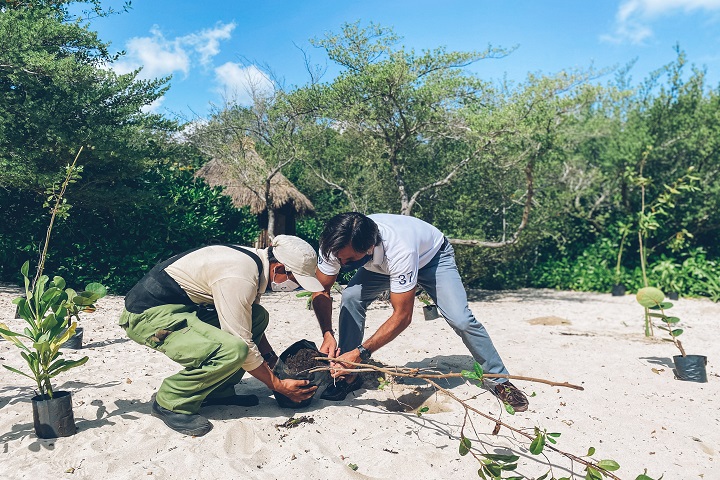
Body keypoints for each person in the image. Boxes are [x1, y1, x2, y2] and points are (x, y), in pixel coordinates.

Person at [311, 212, 529, 412]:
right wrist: (327, 333)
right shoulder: (335, 244)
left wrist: (362, 352)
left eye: (348, 261)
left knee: (461, 319)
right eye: (339, 259)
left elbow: (403, 316)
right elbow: (321, 290)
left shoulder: (400, 248)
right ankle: (350, 373)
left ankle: (499, 379)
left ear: (369, 248)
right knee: (350, 297)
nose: (341, 264)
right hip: (379, 265)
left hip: (432, 259)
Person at [118, 235, 324, 436]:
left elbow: (247, 322)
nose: (294, 287)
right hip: (148, 316)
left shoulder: (253, 264)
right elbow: (243, 341)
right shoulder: (239, 276)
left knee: (257, 317)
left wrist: (271, 359)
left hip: (182, 308)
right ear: (278, 268)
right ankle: (170, 401)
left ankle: (218, 391)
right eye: (296, 281)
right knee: (234, 350)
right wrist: (277, 385)